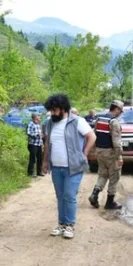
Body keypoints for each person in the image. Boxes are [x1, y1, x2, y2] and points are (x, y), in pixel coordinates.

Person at [42, 94, 96, 239]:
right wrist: (45, 162)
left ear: (64, 109)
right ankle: (61, 224)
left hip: (73, 167)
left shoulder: (77, 121)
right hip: (57, 167)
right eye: (51, 110)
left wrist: (84, 153)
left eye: (55, 110)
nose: (52, 113)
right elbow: (47, 143)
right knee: (60, 196)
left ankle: (70, 225)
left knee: (69, 195)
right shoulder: (49, 123)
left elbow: (92, 137)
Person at [88, 100, 124, 210]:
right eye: (120, 111)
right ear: (116, 109)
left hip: (100, 151)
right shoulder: (114, 122)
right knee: (114, 176)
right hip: (111, 153)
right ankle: (110, 202)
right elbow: (116, 142)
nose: (120, 113)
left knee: (102, 174)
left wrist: (94, 151)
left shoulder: (99, 119)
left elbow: (94, 135)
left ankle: (94, 194)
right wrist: (119, 157)